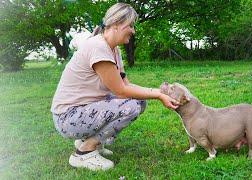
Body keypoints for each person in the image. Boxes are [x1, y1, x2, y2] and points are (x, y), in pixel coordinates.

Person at [51, 3, 179, 171]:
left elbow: (125, 84)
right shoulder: (98, 47)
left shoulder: (114, 50)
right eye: (131, 25)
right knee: (131, 106)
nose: (133, 31)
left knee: (139, 102)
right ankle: (84, 153)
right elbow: (120, 91)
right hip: (68, 117)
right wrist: (158, 95)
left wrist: (156, 92)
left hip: (81, 110)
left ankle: (89, 141)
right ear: (116, 24)